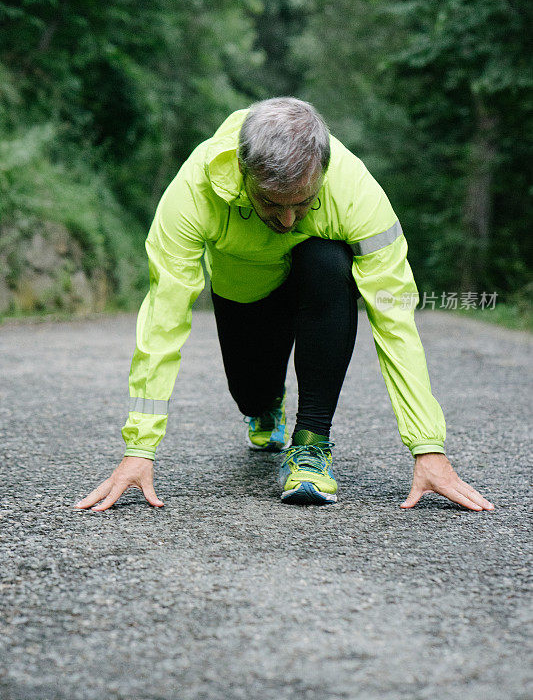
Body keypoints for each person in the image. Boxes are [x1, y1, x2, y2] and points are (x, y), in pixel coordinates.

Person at [75, 98, 494, 512]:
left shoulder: (355, 192)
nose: (289, 219)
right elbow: (163, 318)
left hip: (315, 284)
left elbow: (394, 317)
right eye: (273, 203)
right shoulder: (193, 190)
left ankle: (311, 445)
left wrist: (428, 447)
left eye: (303, 203)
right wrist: (139, 449)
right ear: (242, 170)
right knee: (250, 391)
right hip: (244, 289)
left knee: (329, 260)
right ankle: (264, 409)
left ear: (324, 172)